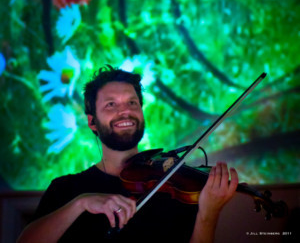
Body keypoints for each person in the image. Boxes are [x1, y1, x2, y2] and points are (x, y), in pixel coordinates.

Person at [17, 65, 239, 243]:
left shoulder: (174, 186)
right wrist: (81, 203)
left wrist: (209, 215)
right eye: (111, 105)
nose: (125, 111)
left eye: (132, 103)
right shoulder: (66, 189)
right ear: (92, 122)